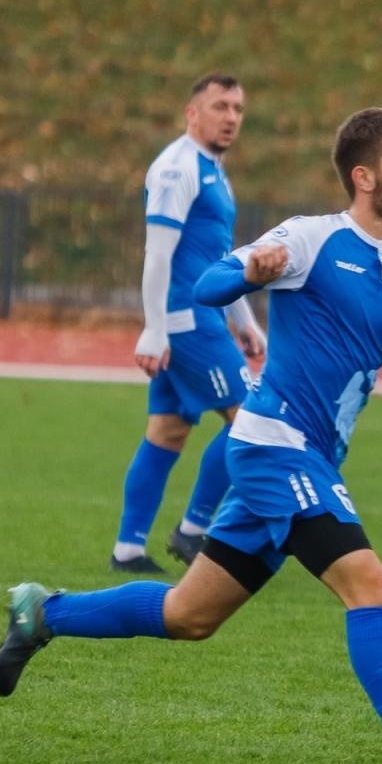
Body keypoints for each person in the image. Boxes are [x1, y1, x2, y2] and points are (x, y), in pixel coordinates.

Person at [0, 102, 382, 764]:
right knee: (371, 586)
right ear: (365, 177)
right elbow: (207, 285)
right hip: (275, 445)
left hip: (303, 460)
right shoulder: (311, 240)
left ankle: (42, 611)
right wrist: (251, 273)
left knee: (189, 616)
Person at [112, 73, 267, 574]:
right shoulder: (178, 169)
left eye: (238, 109)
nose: (231, 117)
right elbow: (157, 254)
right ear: (192, 112)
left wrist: (242, 318)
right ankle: (194, 530)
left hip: (202, 317)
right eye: (220, 106)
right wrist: (154, 329)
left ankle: (128, 550)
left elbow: (218, 255)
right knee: (252, 420)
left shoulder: (212, 170)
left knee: (168, 430)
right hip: (187, 322)